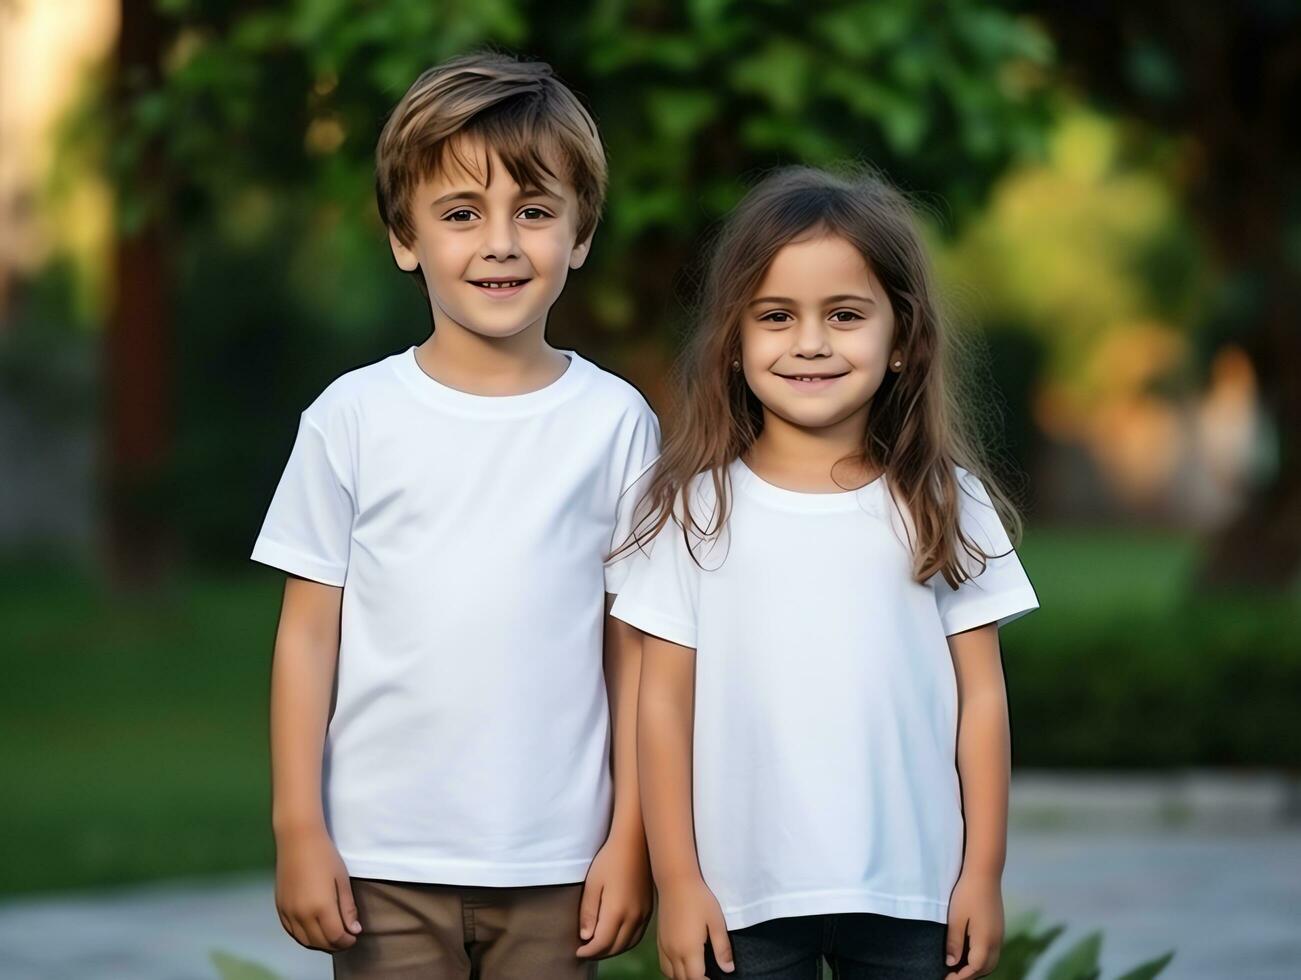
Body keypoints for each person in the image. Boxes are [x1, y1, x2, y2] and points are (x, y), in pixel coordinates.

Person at [251, 52, 658, 979]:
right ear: (405, 237)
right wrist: (299, 829)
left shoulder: (617, 425)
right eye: (461, 214)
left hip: (559, 861)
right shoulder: (351, 418)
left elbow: (634, 649)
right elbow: (308, 640)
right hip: (379, 864)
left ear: (580, 233)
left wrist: (629, 838)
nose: (501, 243)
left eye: (536, 211)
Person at [610, 165, 1040, 980]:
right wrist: (679, 880)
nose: (809, 342)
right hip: (743, 902)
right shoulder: (693, 511)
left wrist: (980, 873)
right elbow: (660, 704)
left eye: (843, 315)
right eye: (776, 317)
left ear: (904, 340)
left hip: (913, 894)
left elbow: (981, 699)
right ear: (733, 344)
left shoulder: (945, 502)